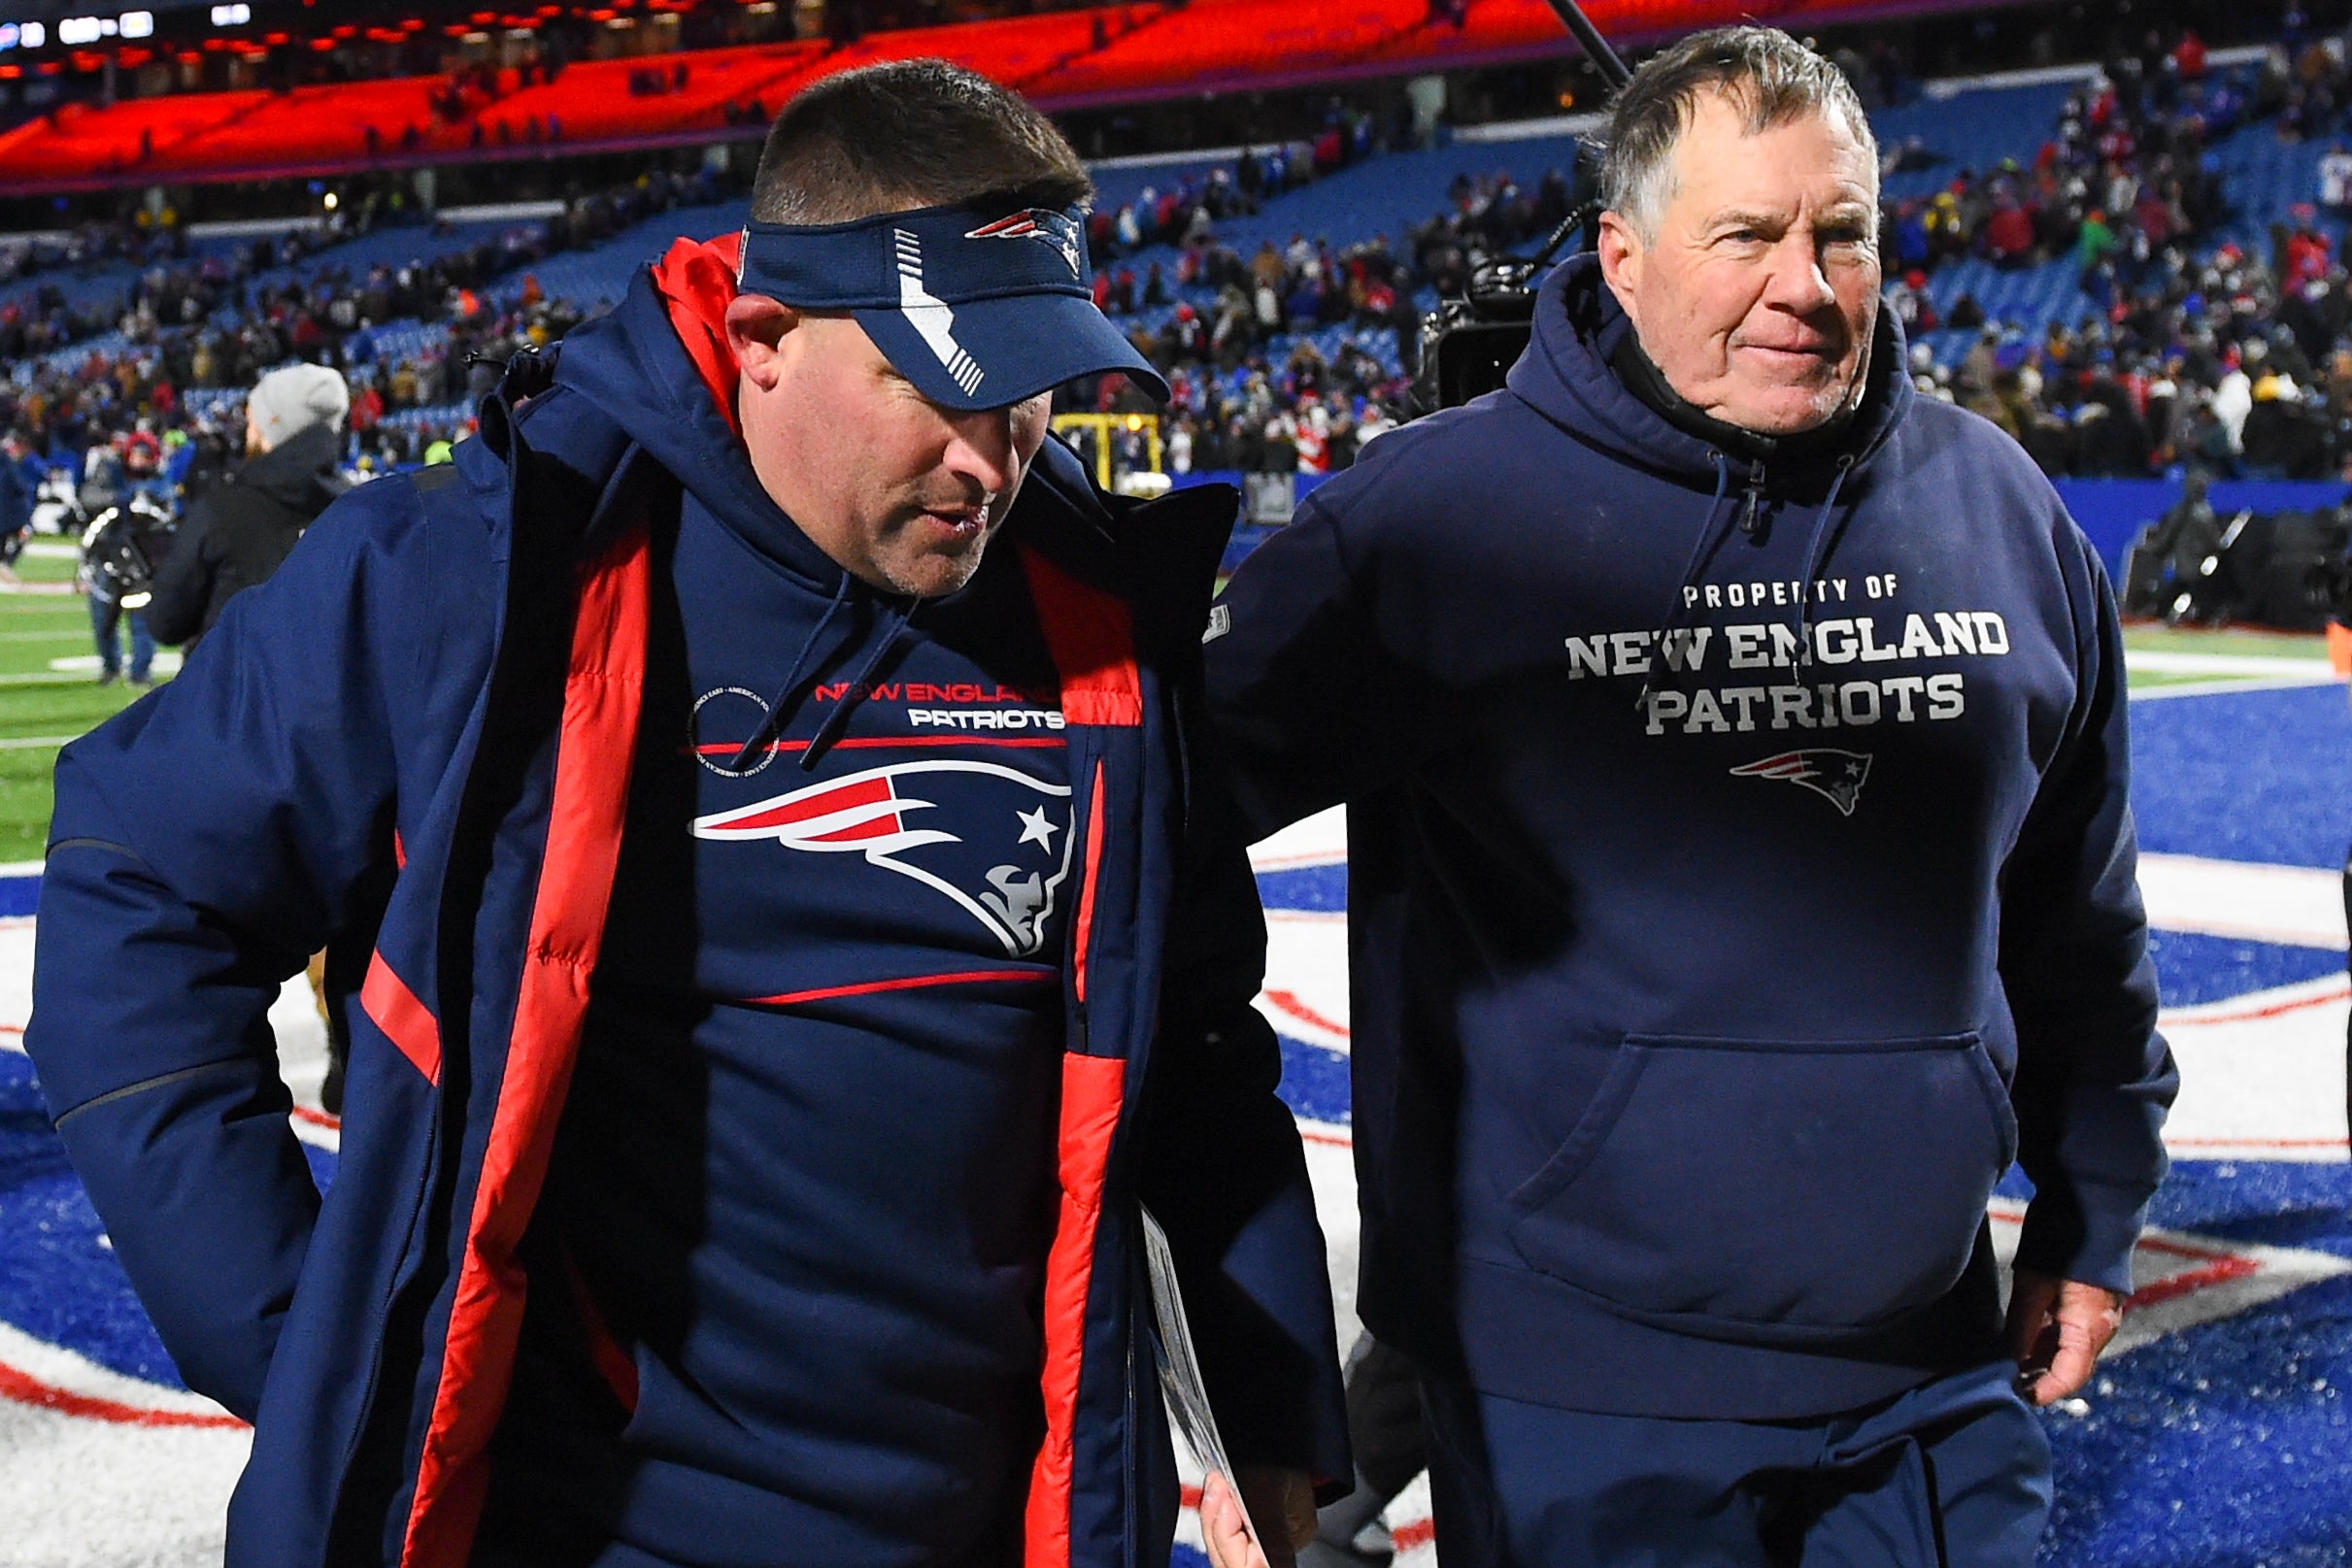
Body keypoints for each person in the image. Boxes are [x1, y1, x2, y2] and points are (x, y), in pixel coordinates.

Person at [27, 60, 1345, 1568]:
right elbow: (134, 879)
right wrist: (306, 1342)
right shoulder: (491, 561)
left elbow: (1188, 1040)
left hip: (1010, 1516)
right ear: (763, 336)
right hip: (581, 1530)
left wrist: (1266, 1400)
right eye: (936, 386)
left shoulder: (1092, 612)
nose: (993, 457)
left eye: (1030, 385)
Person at [1203, 26, 2176, 1566]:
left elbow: (2076, 913)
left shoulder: (1999, 509)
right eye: (1745, 235)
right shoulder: (1439, 517)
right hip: (1571, 1395)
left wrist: (2094, 1200)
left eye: (1837, 233)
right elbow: (1148, 829)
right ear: (1622, 254)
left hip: (1934, 1365)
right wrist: (1234, 1353)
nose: (1803, 282)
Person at [146, 362, 350, 651]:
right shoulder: (361, 509)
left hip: (235, 690)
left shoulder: (223, 510)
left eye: (254, 421)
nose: (248, 433)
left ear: (274, 426)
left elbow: (165, 622)